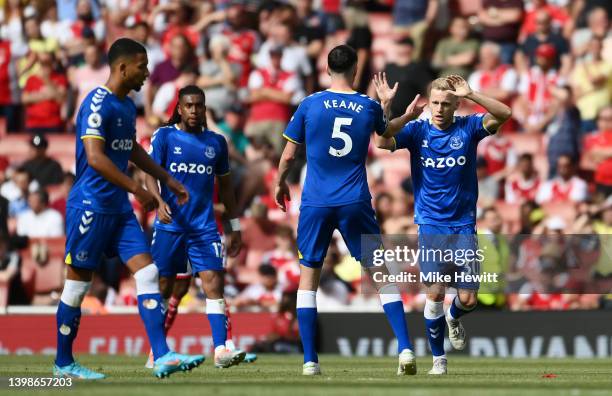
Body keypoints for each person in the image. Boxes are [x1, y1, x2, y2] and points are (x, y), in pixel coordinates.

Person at [54, 38, 204, 380]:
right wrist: (138, 189)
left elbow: (131, 148)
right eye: (142, 65)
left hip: (119, 208)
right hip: (91, 206)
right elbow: (95, 157)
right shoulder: (97, 102)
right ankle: (63, 363)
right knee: (77, 288)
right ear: (122, 67)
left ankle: (162, 354)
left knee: (148, 273)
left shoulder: (125, 106)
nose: (147, 72)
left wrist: (166, 177)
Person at [275, 45, 418, 376]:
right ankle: (406, 348)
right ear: (355, 70)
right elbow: (386, 135)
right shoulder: (367, 106)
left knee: (308, 279)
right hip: (354, 200)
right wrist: (395, 110)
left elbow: (287, 156)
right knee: (381, 274)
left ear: (327, 70)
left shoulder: (310, 104)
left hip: (316, 202)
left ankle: (310, 361)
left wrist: (281, 183)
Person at [375, 74, 512, 374]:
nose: (439, 108)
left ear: (456, 105)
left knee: (468, 299)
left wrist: (472, 93)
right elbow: (382, 141)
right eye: (435, 102)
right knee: (434, 293)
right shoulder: (416, 132)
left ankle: (454, 317)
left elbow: (504, 113)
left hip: (463, 226)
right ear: (429, 103)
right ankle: (439, 360)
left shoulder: (469, 127)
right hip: (430, 225)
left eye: (446, 103)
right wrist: (387, 109)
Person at [144, 85, 246, 368]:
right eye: (188, 106)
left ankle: (221, 349)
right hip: (170, 226)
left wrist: (234, 226)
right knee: (164, 287)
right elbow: (149, 172)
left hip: (204, 228)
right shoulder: (164, 136)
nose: (194, 111)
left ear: (204, 108)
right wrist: (157, 200)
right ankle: (157, 351)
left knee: (214, 283)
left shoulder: (216, 143)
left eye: (198, 106)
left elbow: (227, 191)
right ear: (179, 108)